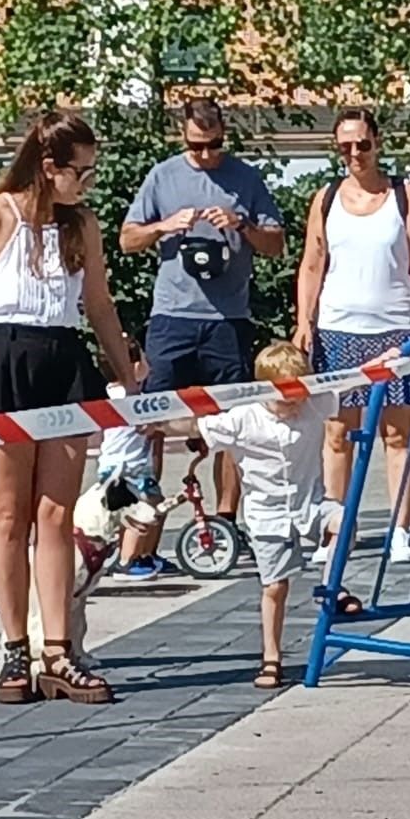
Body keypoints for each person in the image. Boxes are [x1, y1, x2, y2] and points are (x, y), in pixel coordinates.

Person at [0, 112, 137, 705]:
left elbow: (98, 305)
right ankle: (13, 648)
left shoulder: (82, 226)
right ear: (49, 168)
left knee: (56, 514)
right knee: (7, 515)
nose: (87, 183)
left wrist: (126, 379)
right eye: (81, 172)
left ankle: (58, 649)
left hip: (61, 359)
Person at [120, 98, 285, 578]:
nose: (208, 155)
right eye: (198, 147)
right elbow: (127, 239)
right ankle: (140, 534)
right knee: (150, 422)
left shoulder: (246, 178)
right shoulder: (163, 177)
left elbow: (276, 245)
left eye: (216, 145)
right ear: (182, 137)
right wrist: (161, 227)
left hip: (227, 319)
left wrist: (242, 225)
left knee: (233, 424)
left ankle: (227, 523)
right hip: (173, 317)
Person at [292, 108, 410, 565]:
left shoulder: (405, 196)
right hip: (338, 328)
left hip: (394, 328)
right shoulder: (326, 198)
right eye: (345, 146)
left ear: (377, 142)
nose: (354, 154)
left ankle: (400, 530)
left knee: (396, 434)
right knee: (337, 435)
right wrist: (304, 321)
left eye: (362, 144)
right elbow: (312, 262)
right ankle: (338, 531)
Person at [192, 341, 347, 689]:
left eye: (299, 395)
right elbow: (194, 427)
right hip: (268, 513)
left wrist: (386, 361)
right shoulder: (243, 417)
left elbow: (356, 381)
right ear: (263, 389)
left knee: (345, 523)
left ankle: (331, 589)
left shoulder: (313, 403)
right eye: (284, 397)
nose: (294, 405)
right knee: (275, 587)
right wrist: (151, 421)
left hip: (311, 502)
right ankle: (271, 657)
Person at [96, 336, 165, 575]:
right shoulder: (133, 400)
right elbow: (147, 424)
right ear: (134, 367)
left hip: (110, 464)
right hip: (130, 468)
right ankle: (127, 562)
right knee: (144, 510)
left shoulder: (106, 394)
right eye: (144, 359)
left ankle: (141, 555)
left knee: (150, 505)